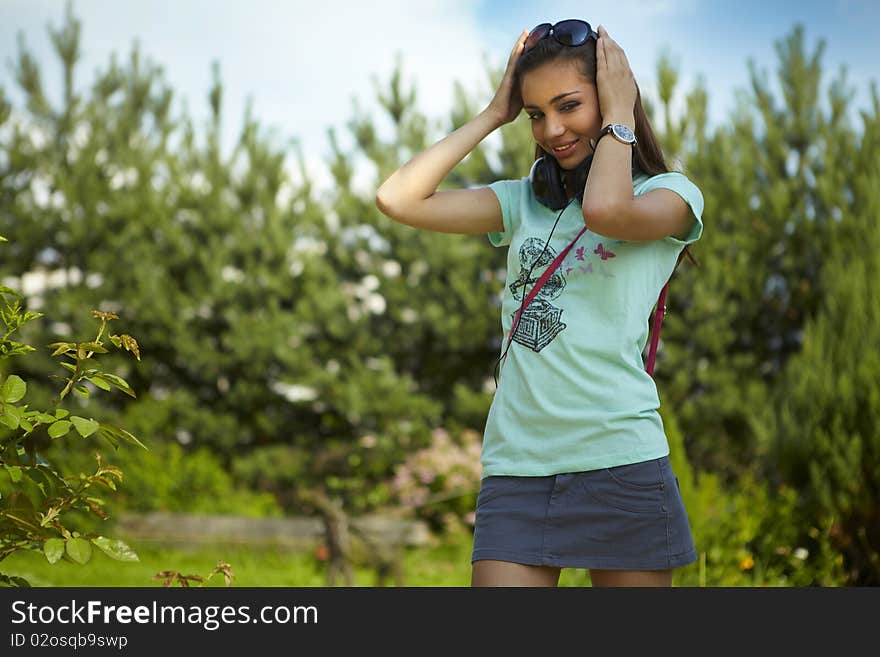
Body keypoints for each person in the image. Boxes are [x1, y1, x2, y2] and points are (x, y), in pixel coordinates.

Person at [375, 19, 703, 587]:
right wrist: (492, 114)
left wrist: (620, 117)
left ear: (611, 95)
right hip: (518, 466)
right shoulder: (523, 202)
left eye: (569, 105)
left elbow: (606, 213)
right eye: (535, 114)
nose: (551, 129)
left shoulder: (670, 196)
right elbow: (397, 198)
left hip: (620, 462)